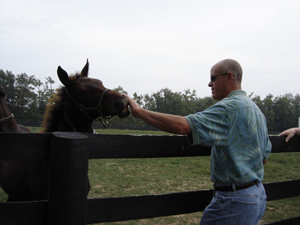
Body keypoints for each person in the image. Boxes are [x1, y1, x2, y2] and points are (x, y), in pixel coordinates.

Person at [125, 59, 271, 225]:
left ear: (229, 77)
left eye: (213, 78)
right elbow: (264, 157)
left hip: (234, 200)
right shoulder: (256, 111)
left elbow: (182, 126)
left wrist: (139, 111)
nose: (209, 83)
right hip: (257, 196)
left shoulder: (229, 108)